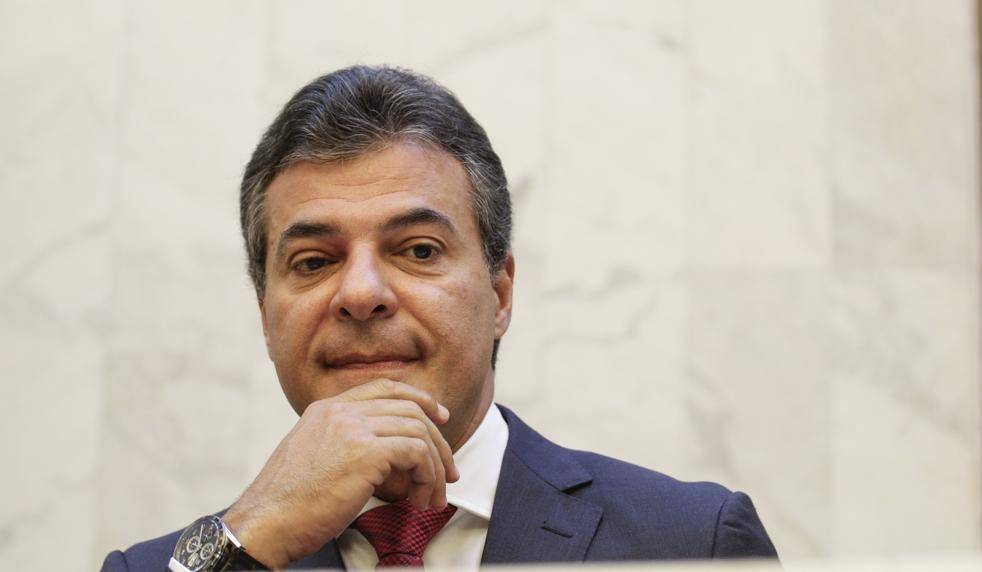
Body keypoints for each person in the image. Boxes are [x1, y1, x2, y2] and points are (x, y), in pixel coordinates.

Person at [101, 65, 778, 571]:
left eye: (418, 250)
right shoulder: (161, 565)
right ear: (264, 314)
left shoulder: (692, 542)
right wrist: (252, 537)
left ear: (500, 295)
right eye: (313, 261)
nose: (360, 293)